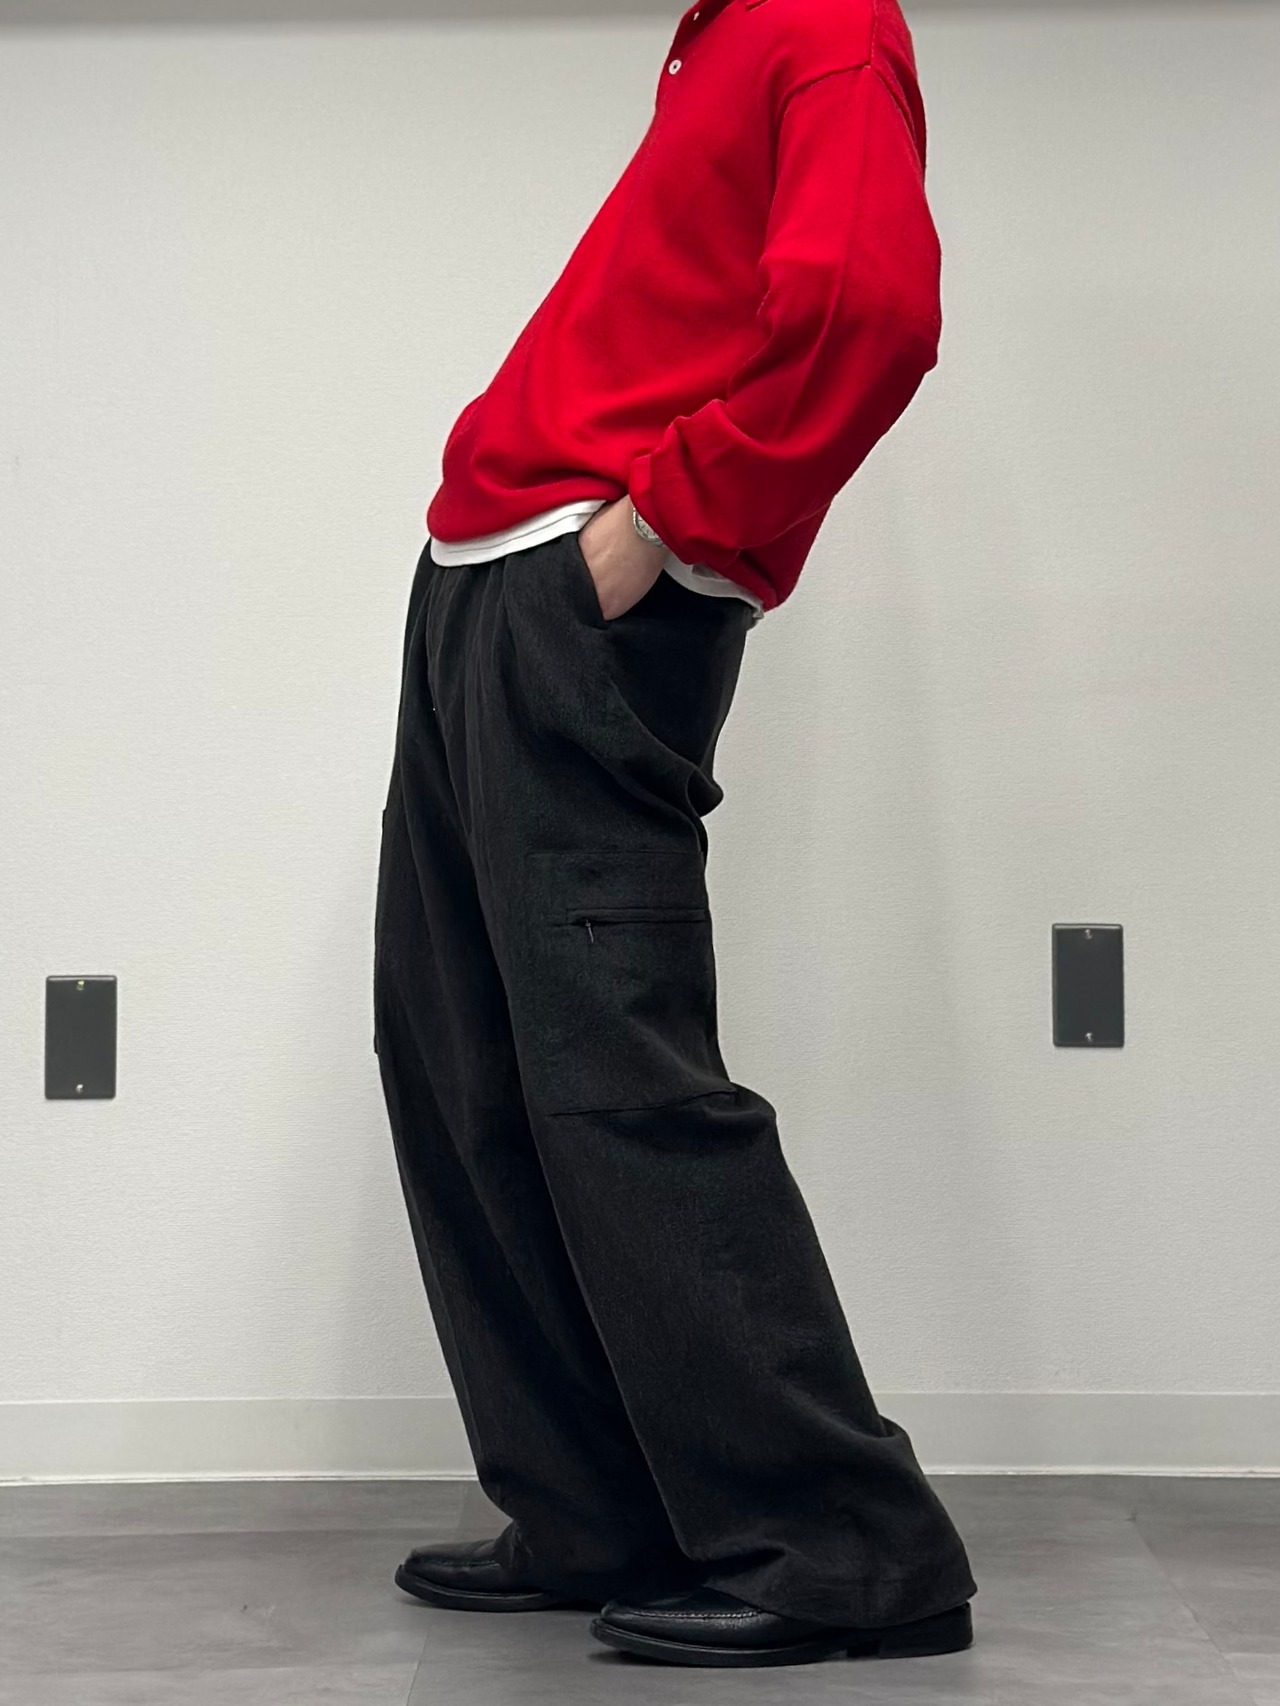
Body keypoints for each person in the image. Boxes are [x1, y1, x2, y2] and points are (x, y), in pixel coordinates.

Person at [371, 0, 978, 1670]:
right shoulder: (718, 38)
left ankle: (848, 1545)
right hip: (491, 580)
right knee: (463, 1060)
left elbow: (870, 311)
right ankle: (593, 1504)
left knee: (616, 1073)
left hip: (584, 593)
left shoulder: (823, 23)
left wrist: (657, 527)